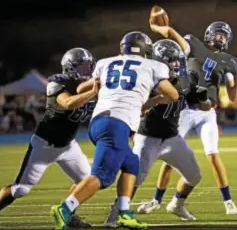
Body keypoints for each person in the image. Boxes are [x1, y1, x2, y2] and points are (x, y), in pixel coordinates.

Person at [50, 32, 179, 230]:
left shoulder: (106, 62)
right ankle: (65, 208)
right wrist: (156, 98)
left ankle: (124, 213)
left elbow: (81, 88)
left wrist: (104, 88)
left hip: (100, 122)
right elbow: (172, 93)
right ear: (146, 49)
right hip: (117, 125)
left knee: (131, 164)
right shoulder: (155, 66)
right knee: (102, 177)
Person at [0, 48, 98, 230]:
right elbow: (68, 103)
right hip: (45, 145)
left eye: (89, 66)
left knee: (87, 182)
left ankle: (67, 214)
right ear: (69, 68)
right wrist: (95, 90)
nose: (87, 71)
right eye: (82, 67)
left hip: (68, 146)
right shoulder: (58, 82)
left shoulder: (89, 85)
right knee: (20, 189)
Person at [138, 20, 237, 215]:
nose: (221, 37)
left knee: (213, 155)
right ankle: (156, 200)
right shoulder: (194, 45)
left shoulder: (229, 61)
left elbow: (233, 96)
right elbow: (172, 32)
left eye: (224, 35)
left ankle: (227, 201)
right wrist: (157, 28)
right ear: (209, 34)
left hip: (208, 113)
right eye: (218, 33)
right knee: (170, 158)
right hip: (186, 109)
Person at [103, 39, 212, 227]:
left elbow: (206, 107)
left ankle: (177, 204)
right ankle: (115, 214)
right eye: (170, 61)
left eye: (177, 60)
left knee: (194, 175)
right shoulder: (148, 79)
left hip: (172, 138)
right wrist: (154, 100)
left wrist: (204, 98)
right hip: (148, 138)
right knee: (135, 177)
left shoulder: (187, 79)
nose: (175, 64)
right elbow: (137, 108)